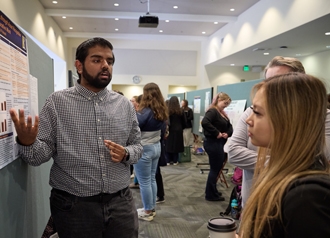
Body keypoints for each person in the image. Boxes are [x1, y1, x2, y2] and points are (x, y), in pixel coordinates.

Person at [9, 37, 143, 238]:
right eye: (97, 60)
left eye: (110, 61)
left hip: (121, 203)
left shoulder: (124, 105)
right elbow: (38, 156)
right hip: (74, 206)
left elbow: (138, 147)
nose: (106, 65)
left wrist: (126, 153)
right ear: (79, 66)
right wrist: (27, 141)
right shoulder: (57, 103)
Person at [227, 56, 330, 208]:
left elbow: (315, 158)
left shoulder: (323, 117)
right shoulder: (251, 112)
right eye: (268, 82)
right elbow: (233, 151)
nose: (271, 89)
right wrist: (284, 163)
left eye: (279, 83)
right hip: (254, 200)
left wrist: (279, 164)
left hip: (290, 202)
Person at [239, 73, 330, 237]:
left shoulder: (307, 196)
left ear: (287, 120)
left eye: (258, 113)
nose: (249, 120)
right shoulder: (283, 176)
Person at [134, 83, 168, 221]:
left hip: (144, 148)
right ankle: (151, 208)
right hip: (156, 147)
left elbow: (134, 128)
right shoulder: (162, 110)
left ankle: (147, 211)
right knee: (151, 178)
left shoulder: (144, 112)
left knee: (144, 182)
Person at [201, 92, 233, 201]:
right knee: (215, 170)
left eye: (227, 104)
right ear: (219, 100)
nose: (226, 105)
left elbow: (230, 127)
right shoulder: (213, 111)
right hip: (213, 143)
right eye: (225, 103)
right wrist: (217, 133)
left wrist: (227, 133)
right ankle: (210, 194)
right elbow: (205, 122)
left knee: (216, 169)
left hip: (219, 143)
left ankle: (212, 191)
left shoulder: (221, 113)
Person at [165, 96, 186, 165]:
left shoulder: (167, 111)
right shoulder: (181, 111)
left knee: (168, 145)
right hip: (178, 130)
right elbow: (184, 122)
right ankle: (175, 160)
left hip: (170, 129)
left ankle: (168, 160)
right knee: (176, 146)